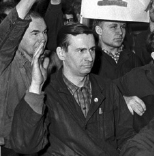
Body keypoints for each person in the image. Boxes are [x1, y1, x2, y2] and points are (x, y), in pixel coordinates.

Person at [9, 24, 135, 155]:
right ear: (61, 53)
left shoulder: (108, 88)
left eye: (92, 50)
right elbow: (25, 146)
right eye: (81, 51)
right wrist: (35, 85)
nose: (89, 58)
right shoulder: (47, 94)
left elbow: (126, 136)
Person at [0, 0, 53, 155]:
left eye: (45, 32)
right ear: (19, 35)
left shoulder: (44, 62)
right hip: (9, 146)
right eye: (35, 33)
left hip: (36, 142)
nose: (43, 38)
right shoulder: (6, 61)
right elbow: (5, 36)